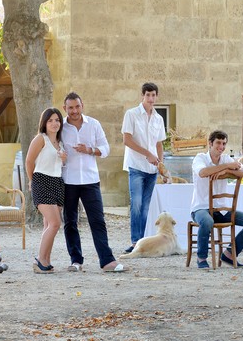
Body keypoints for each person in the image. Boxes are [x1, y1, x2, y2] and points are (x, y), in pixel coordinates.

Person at [62, 92, 127, 273]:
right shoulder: (61, 127)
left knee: (97, 220)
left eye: (77, 106)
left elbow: (106, 149)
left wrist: (89, 150)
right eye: (70, 108)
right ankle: (76, 261)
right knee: (70, 222)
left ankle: (107, 261)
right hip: (68, 181)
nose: (74, 111)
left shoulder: (94, 124)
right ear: (64, 108)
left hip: (90, 180)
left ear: (82, 105)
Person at [190, 130, 243, 269]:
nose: (221, 147)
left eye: (224, 143)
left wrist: (227, 171)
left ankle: (228, 254)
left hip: (222, 210)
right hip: (201, 208)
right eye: (218, 143)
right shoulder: (200, 158)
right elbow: (203, 172)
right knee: (207, 221)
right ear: (210, 143)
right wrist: (227, 166)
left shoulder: (226, 158)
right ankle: (201, 258)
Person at [121, 82, 166, 254]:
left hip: (152, 170)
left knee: (146, 206)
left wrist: (160, 164)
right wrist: (147, 153)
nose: (151, 98)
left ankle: (144, 243)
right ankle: (135, 242)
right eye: (148, 95)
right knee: (137, 204)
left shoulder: (159, 118)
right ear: (142, 96)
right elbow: (127, 140)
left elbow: (159, 144)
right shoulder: (131, 114)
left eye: (154, 95)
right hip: (136, 166)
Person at [25, 108, 67, 274]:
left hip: (57, 182)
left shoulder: (60, 143)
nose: (54, 123)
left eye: (57, 120)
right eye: (50, 120)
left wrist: (64, 159)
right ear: (44, 123)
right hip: (41, 181)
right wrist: (31, 181)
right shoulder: (40, 139)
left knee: (49, 224)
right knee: (55, 223)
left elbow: (57, 165)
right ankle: (40, 261)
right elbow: (29, 161)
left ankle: (46, 260)